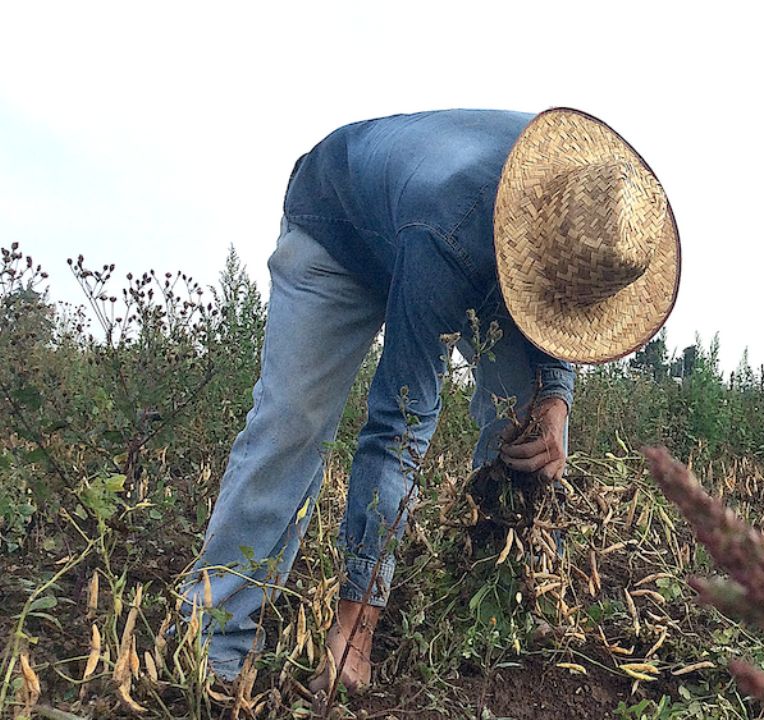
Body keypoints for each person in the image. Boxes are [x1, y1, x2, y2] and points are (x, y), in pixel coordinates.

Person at [179, 108, 680, 693]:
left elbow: (561, 307)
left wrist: (555, 396)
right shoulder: (452, 224)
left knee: (535, 431)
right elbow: (398, 425)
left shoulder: (586, 214)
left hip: (463, 241)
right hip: (340, 228)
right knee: (292, 424)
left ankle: (497, 621)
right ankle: (215, 638)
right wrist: (356, 627)